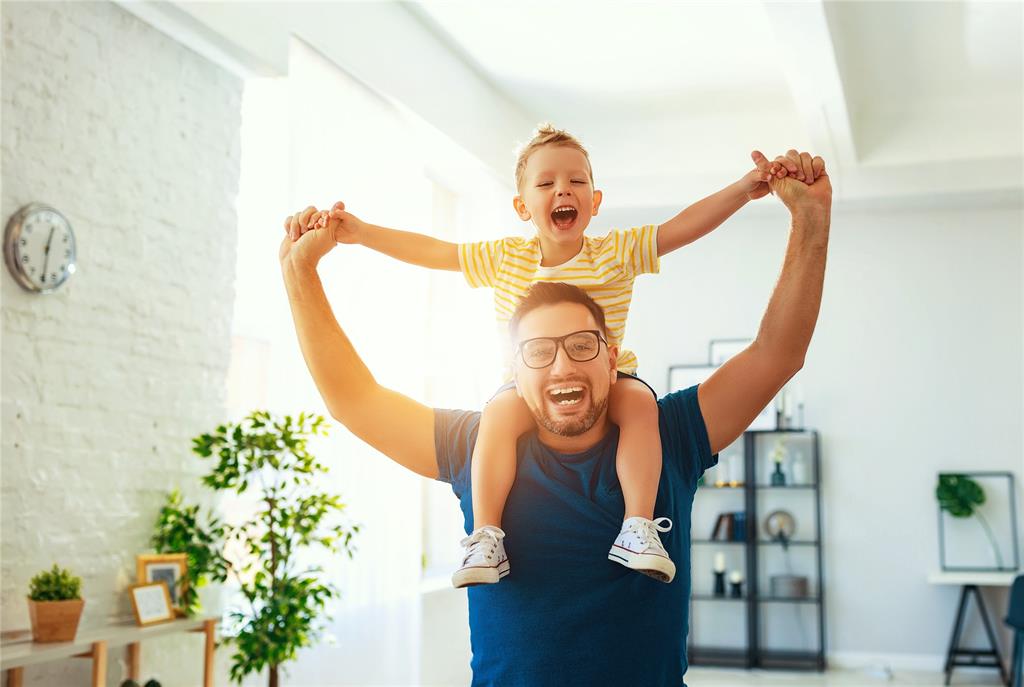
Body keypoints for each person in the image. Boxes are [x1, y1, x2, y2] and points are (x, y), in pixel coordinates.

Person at [279, 148, 831, 686]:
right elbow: (354, 399)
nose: (562, 363)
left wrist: (809, 216)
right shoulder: (474, 443)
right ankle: (486, 538)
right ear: (512, 366)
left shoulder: (668, 436)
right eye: (539, 350)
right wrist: (302, 271)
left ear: (612, 355)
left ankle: (639, 531)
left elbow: (776, 354)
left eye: (582, 345)